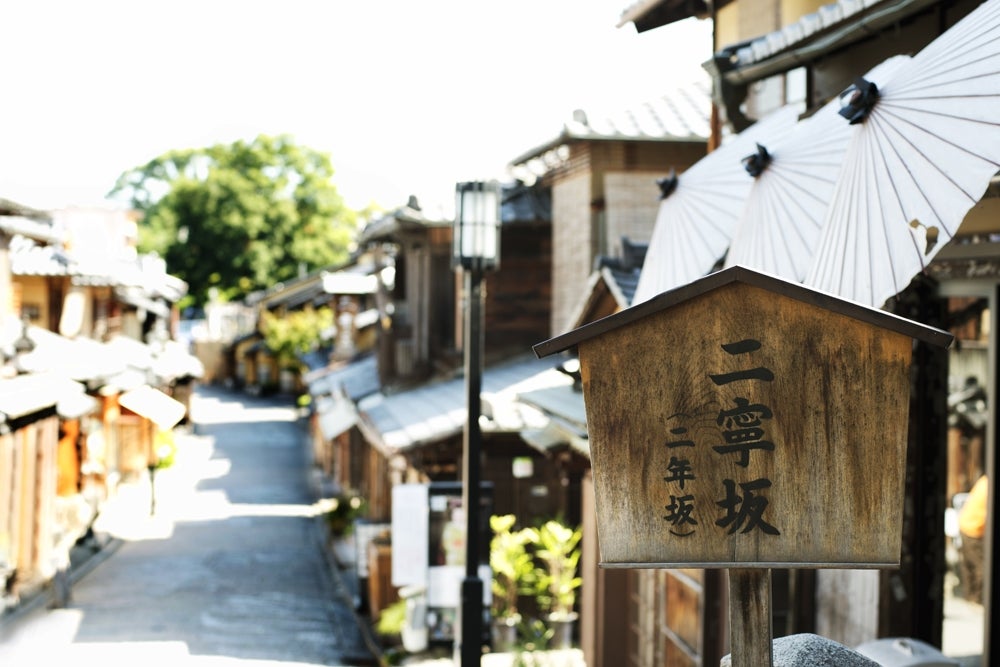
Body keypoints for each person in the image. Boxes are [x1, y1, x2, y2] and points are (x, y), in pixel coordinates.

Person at [958, 474, 988, 604]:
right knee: (981, 566)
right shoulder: (988, 485)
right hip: (973, 529)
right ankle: (977, 599)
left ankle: (969, 597)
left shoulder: (984, 480)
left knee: (969, 564)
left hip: (966, 524)